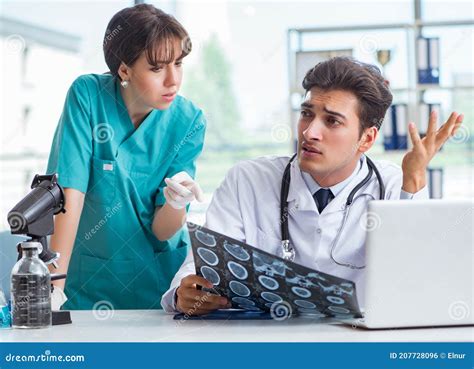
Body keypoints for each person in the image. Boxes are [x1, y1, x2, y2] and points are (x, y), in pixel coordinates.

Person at [161, 57, 464, 315]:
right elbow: (201, 269)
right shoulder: (248, 180)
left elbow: (419, 283)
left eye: (332, 121)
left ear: (367, 139)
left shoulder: (393, 185)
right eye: (307, 114)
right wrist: (184, 293)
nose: (310, 132)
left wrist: (414, 180)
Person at [46, 4, 206, 310]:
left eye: (179, 63)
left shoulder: (189, 120)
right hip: (86, 284)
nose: (173, 80)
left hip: (157, 285)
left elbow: (162, 230)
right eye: (157, 68)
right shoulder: (88, 97)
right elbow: (70, 191)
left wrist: (175, 202)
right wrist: (54, 285)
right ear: (124, 69)